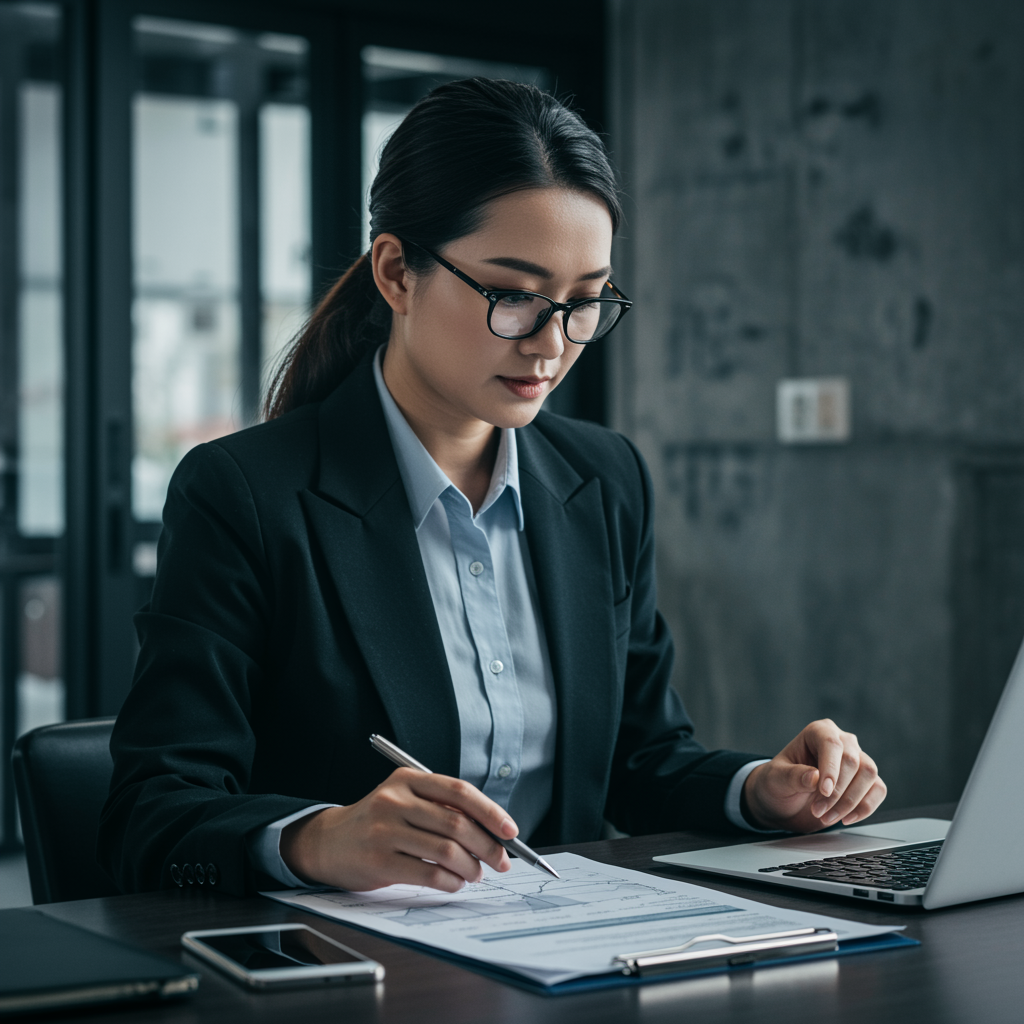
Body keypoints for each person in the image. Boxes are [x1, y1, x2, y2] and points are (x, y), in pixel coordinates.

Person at [98, 79, 886, 898]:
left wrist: (757, 791)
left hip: (573, 942)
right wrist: (319, 839)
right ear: (397, 273)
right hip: (351, 954)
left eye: (585, 302)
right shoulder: (245, 496)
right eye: (513, 297)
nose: (551, 345)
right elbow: (150, 816)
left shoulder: (604, 480)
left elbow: (639, 757)